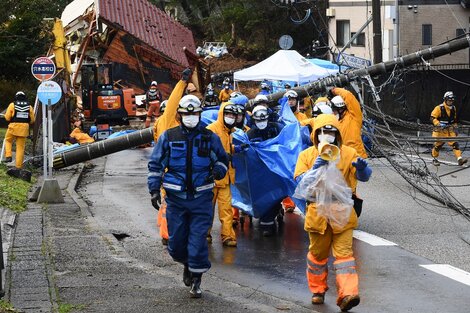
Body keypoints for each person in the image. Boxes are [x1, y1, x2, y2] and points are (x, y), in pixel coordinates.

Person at [148, 94, 229, 298]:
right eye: (187, 113)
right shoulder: (169, 137)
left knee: (198, 241)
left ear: (200, 114)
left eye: (195, 113)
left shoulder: (209, 137)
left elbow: (222, 160)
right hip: (176, 200)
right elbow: (156, 164)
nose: (191, 116)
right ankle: (187, 264)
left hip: (202, 199)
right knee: (175, 244)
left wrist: (219, 170)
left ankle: (196, 279)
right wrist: (154, 190)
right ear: (180, 115)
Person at [294, 114, 372, 312]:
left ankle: (347, 294)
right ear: (316, 134)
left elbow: (363, 177)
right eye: (323, 132)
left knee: (345, 256)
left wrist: (363, 170)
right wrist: (316, 167)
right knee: (318, 255)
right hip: (317, 213)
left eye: (331, 131)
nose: (327, 135)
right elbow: (300, 184)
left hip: (343, 213)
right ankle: (318, 290)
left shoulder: (348, 153)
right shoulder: (307, 155)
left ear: (337, 133)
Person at [152, 70, 192, 246]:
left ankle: (171, 232)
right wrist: (182, 82)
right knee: (170, 204)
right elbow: (174, 102)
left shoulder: (170, 124)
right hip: (171, 171)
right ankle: (168, 236)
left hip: (174, 169)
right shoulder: (168, 121)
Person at [207, 102, 241, 247]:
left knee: (226, 209)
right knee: (207, 208)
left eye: (233, 115)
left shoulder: (229, 131)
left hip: (225, 177)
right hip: (212, 177)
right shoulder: (211, 130)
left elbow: (226, 149)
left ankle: (227, 236)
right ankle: (204, 234)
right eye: (228, 114)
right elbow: (206, 150)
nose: (230, 117)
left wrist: (236, 149)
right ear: (222, 114)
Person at [247, 105, 284, 236]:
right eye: (258, 120)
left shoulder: (276, 128)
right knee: (261, 193)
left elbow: (286, 140)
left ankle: (273, 213)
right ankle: (266, 220)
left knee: (277, 192)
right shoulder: (250, 133)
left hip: (276, 168)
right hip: (258, 170)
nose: (261, 123)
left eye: (263, 120)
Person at [430, 91, 467, 166]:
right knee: (438, 145)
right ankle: (435, 159)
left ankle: (459, 159)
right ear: (445, 99)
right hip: (440, 131)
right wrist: (438, 124)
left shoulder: (453, 108)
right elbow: (432, 118)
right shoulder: (439, 108)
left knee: (455, 144)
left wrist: (455, 128)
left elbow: (454, 119)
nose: (451, 102)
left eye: (452, 100)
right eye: (449, 100)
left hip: (450, 130)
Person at [329, 88, 368, 158]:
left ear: (340, 109)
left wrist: (334, 90)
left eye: (334, 110)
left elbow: (348, 96)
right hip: (344, 158)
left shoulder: (354, 116)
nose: (333, 113)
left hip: (357, 157)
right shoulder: (336, 121)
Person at [3, 91, 35, 168]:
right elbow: (32, 120)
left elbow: (7, 118)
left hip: (13, 127)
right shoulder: (29, 107)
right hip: (24, 129)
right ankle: (18, 167)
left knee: (8, 140)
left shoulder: (12, 105)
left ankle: (8, 156)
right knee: (20, 147)